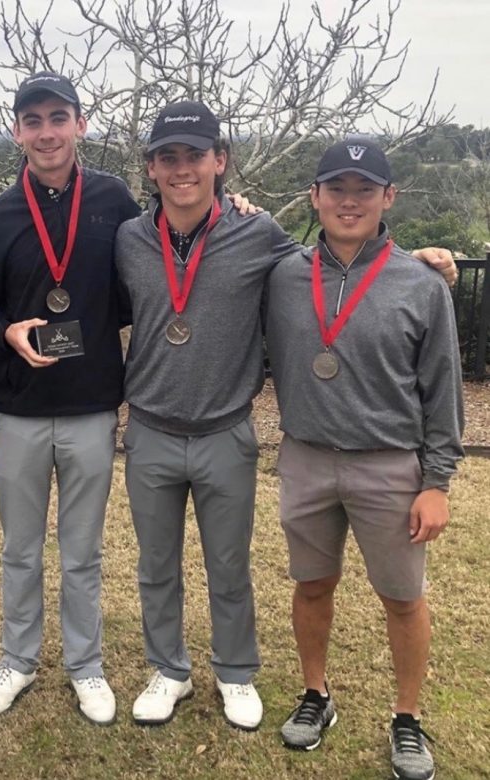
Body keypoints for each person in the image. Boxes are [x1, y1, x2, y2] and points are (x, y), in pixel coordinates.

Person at [115, 102, 458, 731]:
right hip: (152, 428)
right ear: (151, 168)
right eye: (169, 157)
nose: (182, 169)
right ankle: (169, 670)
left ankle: (236, 672)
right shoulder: (131, 239)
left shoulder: (260, 235)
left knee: (230, 564)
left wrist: (424, 259)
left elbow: (357, 258)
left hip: (227, 428)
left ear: (221, 162)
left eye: (196, 155)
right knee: (156, 565)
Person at [268, 137, 463, 780]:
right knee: (312, 585)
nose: (349, 202)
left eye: (364, 190)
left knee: (403, 597)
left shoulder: (421, 282)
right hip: (307, 457)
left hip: (390, 466)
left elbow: (443, 390)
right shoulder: (283, 273)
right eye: (337, 189)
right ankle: (316, 696)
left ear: (389, 197)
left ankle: (406, 718)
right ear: (315, 196)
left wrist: (436, 482)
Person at [0, 72, 141, 725]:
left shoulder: (115, 200)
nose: (46, 131)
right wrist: (2, 329)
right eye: (33, 120)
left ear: (80, 123)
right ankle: (16, 660)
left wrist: (236, 207)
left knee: (82, 549)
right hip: (19, 406)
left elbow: (152, 267)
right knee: (18, 548)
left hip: (94, 400)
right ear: (18, 131)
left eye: (57, 117)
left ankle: (85, 666)